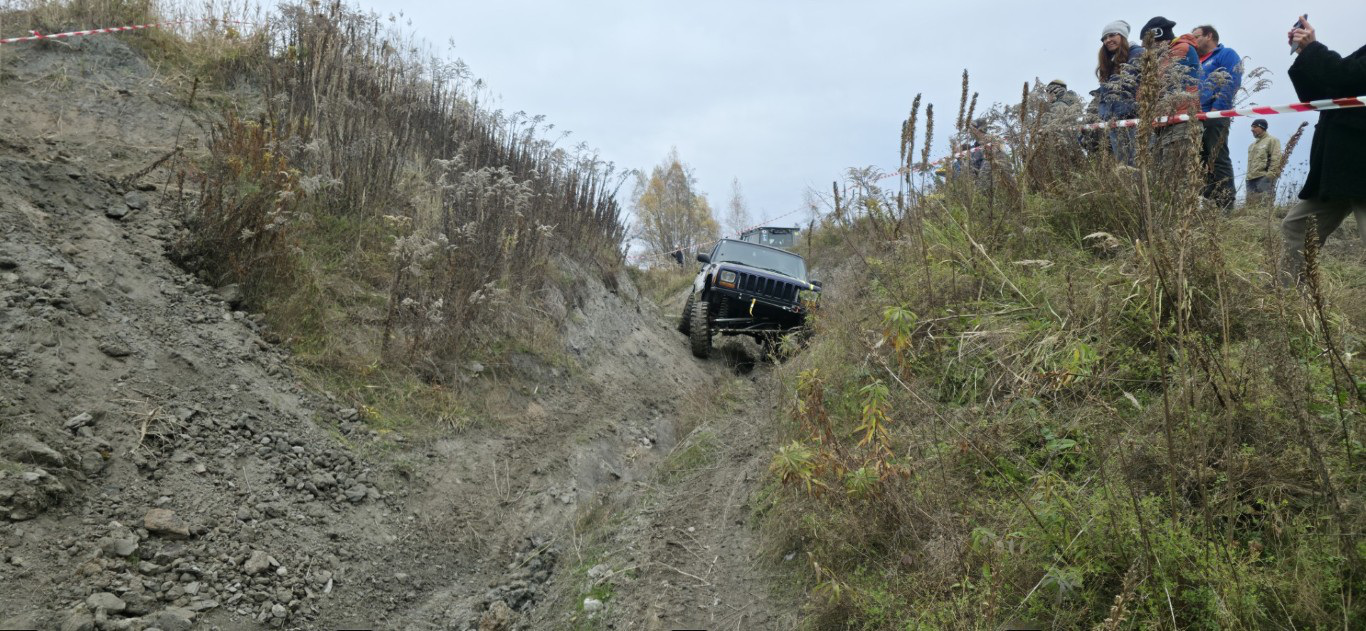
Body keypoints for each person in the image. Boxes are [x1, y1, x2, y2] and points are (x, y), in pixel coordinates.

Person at [1281, 16, 1366, 283]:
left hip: (1359, 166)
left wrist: (1313, 48)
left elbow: (1346, 74)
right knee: (1297, 227)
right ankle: (1288, 299)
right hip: (1339, 170)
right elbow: (1322, 94)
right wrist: (1305, 53)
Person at [1140, 17, 1203, 165]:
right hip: (1164, 122)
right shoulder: (1162, 55)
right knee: (1161, 174)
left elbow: (1160, 83)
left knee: (1176, 173)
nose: (1144, 48)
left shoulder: (1181, 49)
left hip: (1180, 121)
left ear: (1158, 37)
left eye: (1147, 43)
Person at [1192, 25, 1242, 210]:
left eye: (1196, 36)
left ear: (1209, 36)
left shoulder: (1226, 54)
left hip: (1215, 114)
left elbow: (1232, 80)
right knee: (1201, 159)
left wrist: (1217, 109)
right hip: (1195, 117)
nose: (1193, 41)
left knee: (1217, 156)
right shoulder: (1195, 61)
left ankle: (1226, 203)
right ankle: (1209, 201)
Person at [1096, 20, 1144, 165]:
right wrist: (1105, 116)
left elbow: (1134, 86)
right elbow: (1104, 96)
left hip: (1135, 120)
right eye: (1104, 38)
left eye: (1112, 35)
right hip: (1115, 123)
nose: (1107, 40)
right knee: (1124, 168)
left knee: (1139, 165)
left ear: (1122, 36)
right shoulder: (1109, 63)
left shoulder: (1138, 54)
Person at [1244, 119, 1282, 207]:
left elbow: (1276, 158)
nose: (1252, 129)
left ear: (1262, 127)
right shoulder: (1252, 145)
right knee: (1250, 208)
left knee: (1264, 206)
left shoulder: (1272, 140)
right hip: (1250, 179)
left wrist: (1270, 175)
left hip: (1264, 178)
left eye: (1255, 127)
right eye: (1251, 127)